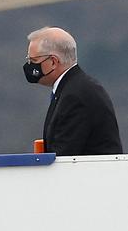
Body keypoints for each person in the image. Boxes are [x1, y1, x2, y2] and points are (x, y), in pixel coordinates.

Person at [24, 27, 122, 156]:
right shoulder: (72, 88)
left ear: (53, 61)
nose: (29, 66)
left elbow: (64, 156)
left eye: (34, 61)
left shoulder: (76, 96)